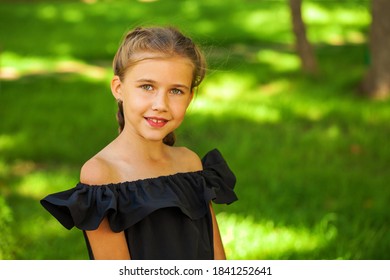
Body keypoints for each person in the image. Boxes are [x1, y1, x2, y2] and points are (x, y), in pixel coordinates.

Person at [40, 26, 237, 260]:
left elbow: (218, 261)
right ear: (119, 88)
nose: (160, 104)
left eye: (176, 90)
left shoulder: (190, 164)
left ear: (190, 97)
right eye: (147, 87)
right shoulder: (102, 175)